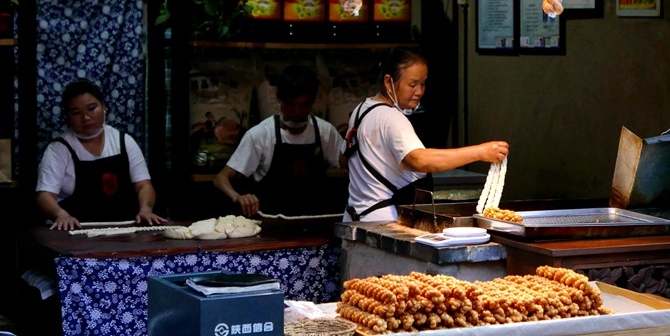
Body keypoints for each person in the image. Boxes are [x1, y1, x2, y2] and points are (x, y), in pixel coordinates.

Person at [344, 48, 509, 222]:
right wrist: (480, 152)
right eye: (412, 84)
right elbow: (418, 160)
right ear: (388, 82)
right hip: (384, 220)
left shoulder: (361, 110)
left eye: (423, 84)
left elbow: (344, 158)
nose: (419, 91)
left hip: (355, 215)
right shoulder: (392, 117)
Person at [213, 64, 346, 216]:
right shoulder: (260, 135)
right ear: (279, 99)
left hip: (313, 221)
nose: (297, 112)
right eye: (290, 104)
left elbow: (351, 164)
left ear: (313, 101)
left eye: (304, 105)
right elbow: (220, 178)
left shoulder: (324, 132)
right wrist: (237, 197)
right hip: (271, 224)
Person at [36, 78, 167, 230]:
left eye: (92, 109)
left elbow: (144, 185)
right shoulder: (58, 149)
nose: (85, 118)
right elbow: (44, 195)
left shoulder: (124, 141)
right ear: (67, 116)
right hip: (76, 233)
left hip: (124, 231)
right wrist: (61, 215)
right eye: (76, 112)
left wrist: (146, 209)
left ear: (104, 106)